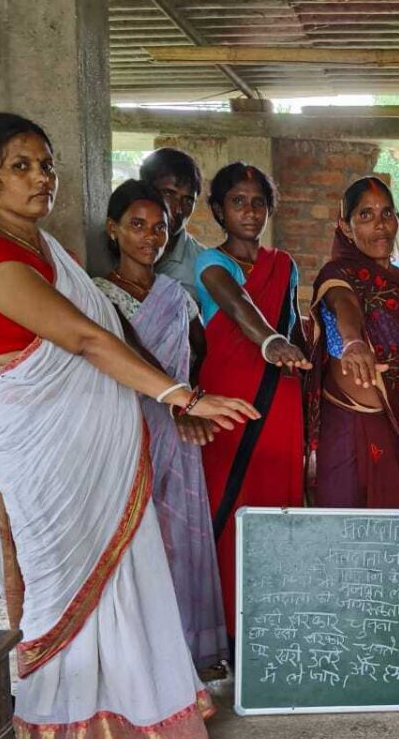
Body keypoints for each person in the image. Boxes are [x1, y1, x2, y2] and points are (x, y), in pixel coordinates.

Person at [0, 113, 256, 739]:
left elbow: (109, 331)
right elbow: (84, 339)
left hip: (97, 447)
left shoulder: (51, 250)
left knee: (121, 579)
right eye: (21, 166)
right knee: (59, 588)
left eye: (46, 164)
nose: (41, 177)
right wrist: (182, 396)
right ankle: (56, 727)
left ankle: (124, 715)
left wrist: (177, 394)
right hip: (47, 451)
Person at [93, 179, 228, 677]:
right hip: (129, 427)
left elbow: (198, 354)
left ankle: (184, 652)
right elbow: (128, 353)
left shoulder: (179, 296)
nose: (150, 237)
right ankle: (137, 660)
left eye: (159, 228)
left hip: (179, 429)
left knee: (180, 536)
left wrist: (191, 401)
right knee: (135, 535)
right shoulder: (98, 294)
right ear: (113, 229)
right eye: (137, 225)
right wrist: (179, 402)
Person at [194, 162, 311, 638]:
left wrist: (312, 381)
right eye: (238, 202)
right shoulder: (209, 263)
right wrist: (271, 343)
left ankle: (273, 627)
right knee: (226, 503)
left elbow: (294, 326)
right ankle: (225, 628)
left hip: (280, 398)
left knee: (275, 504)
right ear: (219, 210)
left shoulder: (284, 265)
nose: (249, 211)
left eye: (258, 202)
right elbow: (238, 307)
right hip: (225, 403)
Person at [309, 176, 399, 509]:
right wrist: (353, 342)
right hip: (346, 425)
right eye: (366, 215)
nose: (380, 225)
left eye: (387, 213)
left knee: (396, 525)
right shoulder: (336, 274)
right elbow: (345, 304)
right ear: (346, 226)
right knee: (341, 522)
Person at [139, 147, 205, 301]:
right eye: (168, 194)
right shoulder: (117, 246)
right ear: (144, 190)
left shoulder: (203, 265)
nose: (178, 209)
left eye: (188, 200)